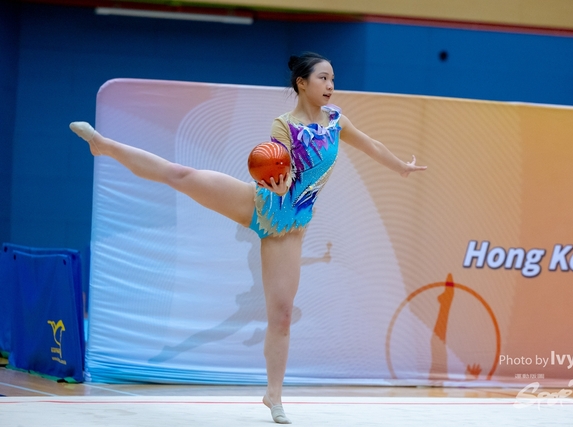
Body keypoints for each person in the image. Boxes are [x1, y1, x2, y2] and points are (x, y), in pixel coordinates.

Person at [70, 51, 427, 424]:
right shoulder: (284, 125)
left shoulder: (336, 121)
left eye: (333, 79)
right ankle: (104, 145)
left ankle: (274, 395)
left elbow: (371, 145)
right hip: (258, 203)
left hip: (288, 228)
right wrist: (277, 183)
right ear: (302, 83)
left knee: (282, 315)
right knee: (181, 174)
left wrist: (400, 167)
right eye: (323, 78)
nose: (330, 86)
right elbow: (276, 168)